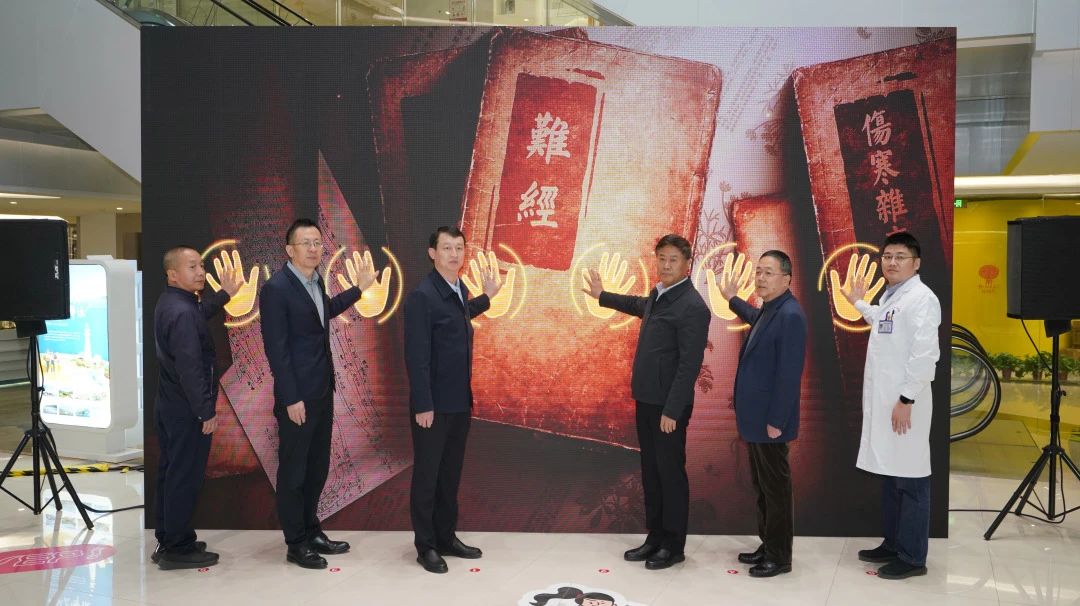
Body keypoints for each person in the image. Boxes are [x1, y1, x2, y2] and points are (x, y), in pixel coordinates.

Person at [582, 234, 711, 570]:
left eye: (673, 260)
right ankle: (654, 537)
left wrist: (672, 410)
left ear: (687, 264)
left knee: (670, 474)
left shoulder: (693, 306)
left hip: (669, 408)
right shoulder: (659, 294)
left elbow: (689, 365)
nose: (666, 265)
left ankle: (673, 545)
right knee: (651, 472)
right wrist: (602, 295)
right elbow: (638, 305)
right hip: (647, 400)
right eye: (662, 258)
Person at [259, 218, 375, 569]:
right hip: (298, 397)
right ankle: (296, 543)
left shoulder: (315, 281)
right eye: (305, 243)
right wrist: (291, 397)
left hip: (322, 390)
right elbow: (276, 349)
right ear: (289, 250)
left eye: (317, 243)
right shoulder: (277, 288)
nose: (313, 249)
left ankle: (311, 530)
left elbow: (325, 313)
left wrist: (358, 290)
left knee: (317, 467)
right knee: (294, 472)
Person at [842, 231, 941, 580]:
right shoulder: (893, 297)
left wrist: (907, 398)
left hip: (905, 406)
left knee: (911, 480)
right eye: (887, 256)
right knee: (891, 476)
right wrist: (858, 303)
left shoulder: (922, 299)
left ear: (916, 263)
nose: (892, 263)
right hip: (889, 404)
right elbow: (884, 323)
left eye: (900, 257)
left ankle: (913, 557)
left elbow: (926, 355)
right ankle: (894, 543)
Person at [404, 226, 501, 573]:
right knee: (428, 477)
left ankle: (446, 537)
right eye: (446, 248)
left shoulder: (458, 288)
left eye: (459, 248)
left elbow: (457, 319)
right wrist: (423, 404)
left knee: (449, 475)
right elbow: (416, 356)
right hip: (433, 406)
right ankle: (426, 545)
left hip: (459, 401)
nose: (454, 254)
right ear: (432, 253)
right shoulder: (422, 296)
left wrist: (487, 297)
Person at [152, 245, 241, 569]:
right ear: (172, 274)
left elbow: (198, 314)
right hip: (188, 410)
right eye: (192, 267)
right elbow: (190, 368)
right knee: (184, 477)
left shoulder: (173, 303)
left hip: (170, 405)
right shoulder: (183, 311)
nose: (201, 272)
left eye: (201, 265)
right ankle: (177, 548)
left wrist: (224, 295)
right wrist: (206, 411)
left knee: (171, 472)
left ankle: (169, 537)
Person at [720, 250, 807, 578]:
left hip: (771, 422)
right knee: (763, 487)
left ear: (786, 279)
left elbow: (789, 375)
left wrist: (777, 421)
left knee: (776, 491)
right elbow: (754, 317)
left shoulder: (791, 315)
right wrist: (732, 299)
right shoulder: (771, 309)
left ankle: (779, 557)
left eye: (768, 273)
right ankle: (768, 544)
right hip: (756, 420)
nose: (760, 278)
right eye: (758, 272)